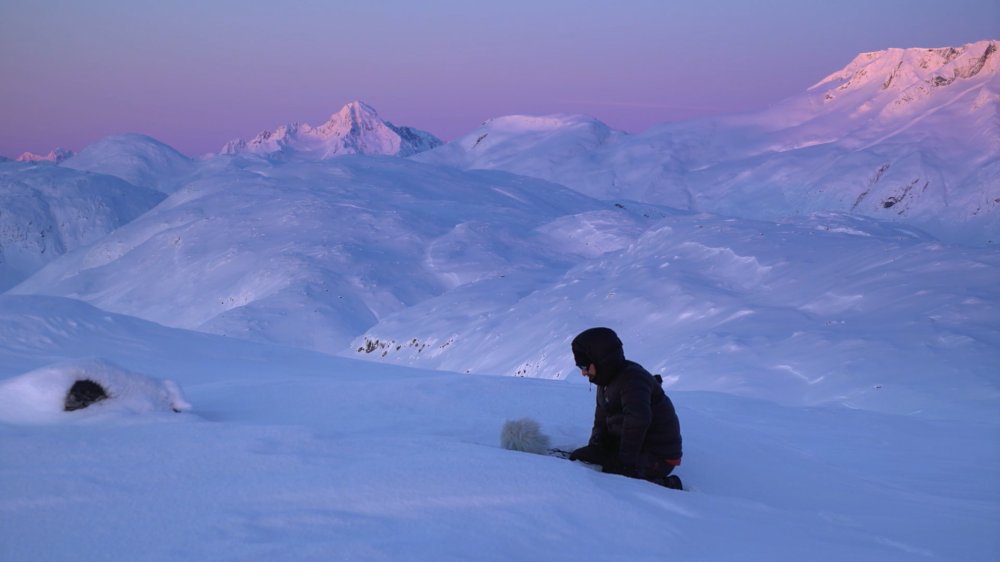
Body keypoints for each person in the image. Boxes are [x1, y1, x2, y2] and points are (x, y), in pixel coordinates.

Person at [569, 327, 683, 490]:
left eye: (584, 366)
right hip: (634, 442)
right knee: (592, 459)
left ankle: (667, 485)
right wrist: (596, 447)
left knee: (614, 473)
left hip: (660, 453)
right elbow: (601, 419)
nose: (583, 373)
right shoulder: (605, 380)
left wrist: (625, 463)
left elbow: (638, 421)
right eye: (580, 367)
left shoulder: (633, 380)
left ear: (600, 360)